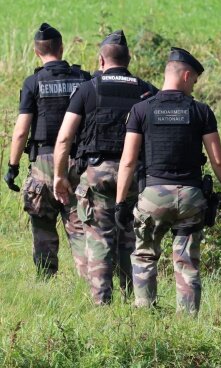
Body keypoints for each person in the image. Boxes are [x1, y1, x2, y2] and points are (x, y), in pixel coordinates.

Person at [115, 47, 221, 313]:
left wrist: (121, 201)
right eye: (194, 80)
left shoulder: (141, 110)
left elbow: (128, 161)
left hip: (153, 195)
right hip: (191, 197)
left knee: (145, 255)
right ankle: (188, 323)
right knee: (187, 261)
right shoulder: (201, 111)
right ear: (186, 75)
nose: (194, 86)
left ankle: (146, 316)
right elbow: (217, 160)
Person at [52, 30, 157, 305]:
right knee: (130, 237)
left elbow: (64, 138)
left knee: (99, 239)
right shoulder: (145, 90)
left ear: (101, 60)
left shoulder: (88, 89)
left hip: (97, 173)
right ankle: (134, 300)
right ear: (129, 59)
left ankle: (102, 305)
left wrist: (60, 176)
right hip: (134, 175)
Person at [3, 23, 90, 278]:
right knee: (80, 226)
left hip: (42, 162)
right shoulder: (83, 79)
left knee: (42, 225)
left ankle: (45, 278)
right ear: (62, 48)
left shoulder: (33, 82)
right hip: (77, 162)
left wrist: (12, 166)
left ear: (35, 52)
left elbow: (20, 131)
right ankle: (90, 281)